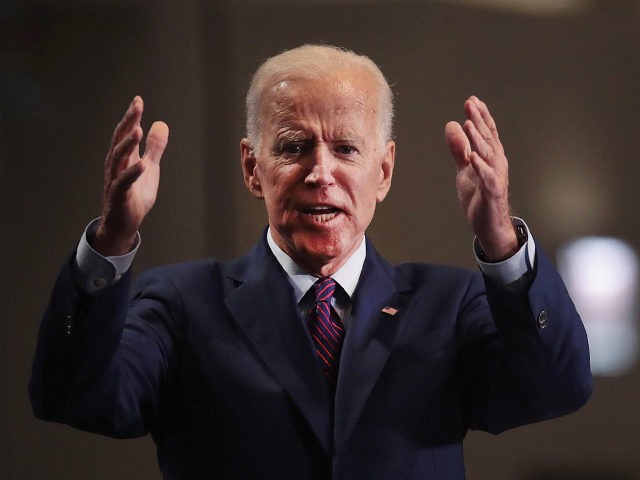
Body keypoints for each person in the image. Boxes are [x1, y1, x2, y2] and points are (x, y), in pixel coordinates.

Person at [30, 44, 592, 479]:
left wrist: (501, 241)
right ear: (253, 168)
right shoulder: (181, 304)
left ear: (384, 171)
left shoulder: (449, 306)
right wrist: (111, 241)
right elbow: (76, 396)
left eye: (346, 148)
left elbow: (557, 386)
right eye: (294, 147)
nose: (320, 172)